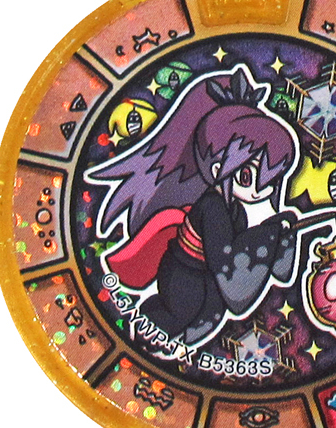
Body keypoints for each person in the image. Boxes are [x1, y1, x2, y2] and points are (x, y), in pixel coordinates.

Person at [87, 66, 299, 346]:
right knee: (180, 316)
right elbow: (233, 280)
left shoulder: (232, 207)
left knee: (205, 318)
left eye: (271, 180)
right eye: (249, 177)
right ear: (216, 168)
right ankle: (137, 338)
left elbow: (250, 266)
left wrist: (279, 233)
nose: (262, 190)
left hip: (204, 277)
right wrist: (270, 235)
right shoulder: (213, 207)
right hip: (183, 278)